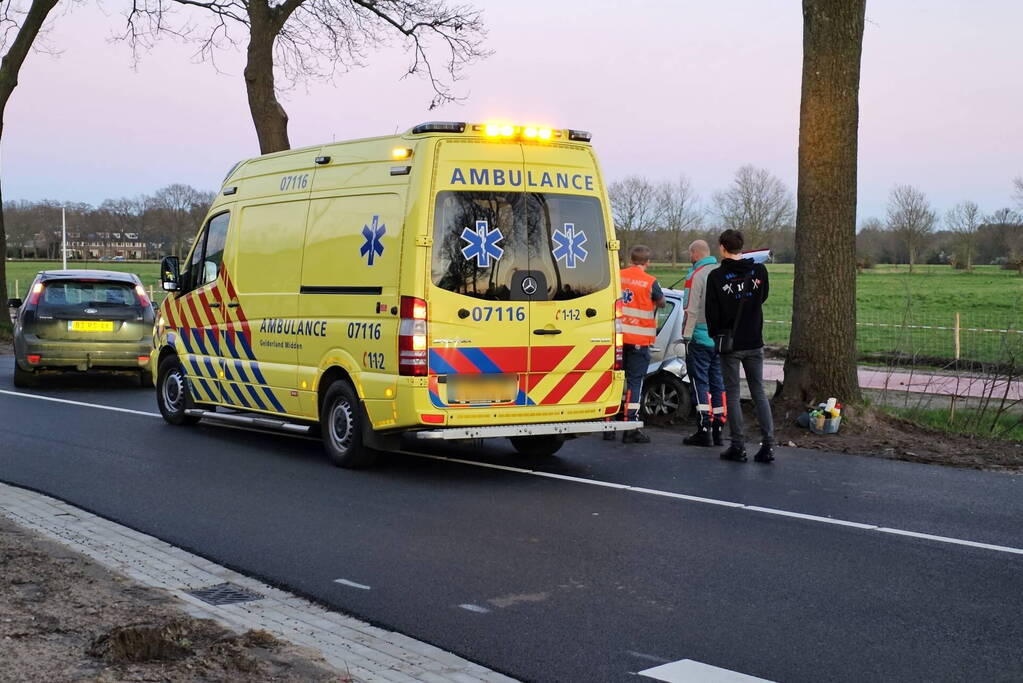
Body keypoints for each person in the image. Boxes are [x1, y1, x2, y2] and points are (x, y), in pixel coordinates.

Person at [705, 229, 775, 463]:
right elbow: (762, 296)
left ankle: (738, 446)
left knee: (733, 394)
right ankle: (768, 445)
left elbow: (711, 313)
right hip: (754, 339)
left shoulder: (716, 276)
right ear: (741, 247)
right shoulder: (759, 270)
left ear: (723, 247)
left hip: (730, 343)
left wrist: (717, 336)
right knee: (759, 392)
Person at [607, 245, 665, 444]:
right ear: (647, 262)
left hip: (617, 339)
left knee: (613, 379)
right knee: (635, 383)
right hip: (639, 341)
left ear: (630, 259)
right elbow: (661, 302)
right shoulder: (650, 282)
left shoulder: (617, 275)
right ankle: (630, 425)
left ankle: (608, 425)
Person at [680, 240, 726, 447]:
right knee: (718, 383)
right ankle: (719, 429)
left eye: (690, 254)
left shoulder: (695, 275)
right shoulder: (722, 271)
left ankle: (703, 428)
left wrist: (686, 336)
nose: (690, 257)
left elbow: (690, 308)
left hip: (699, 337)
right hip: (720, 339)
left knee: (700, 383)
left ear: (695, 254)